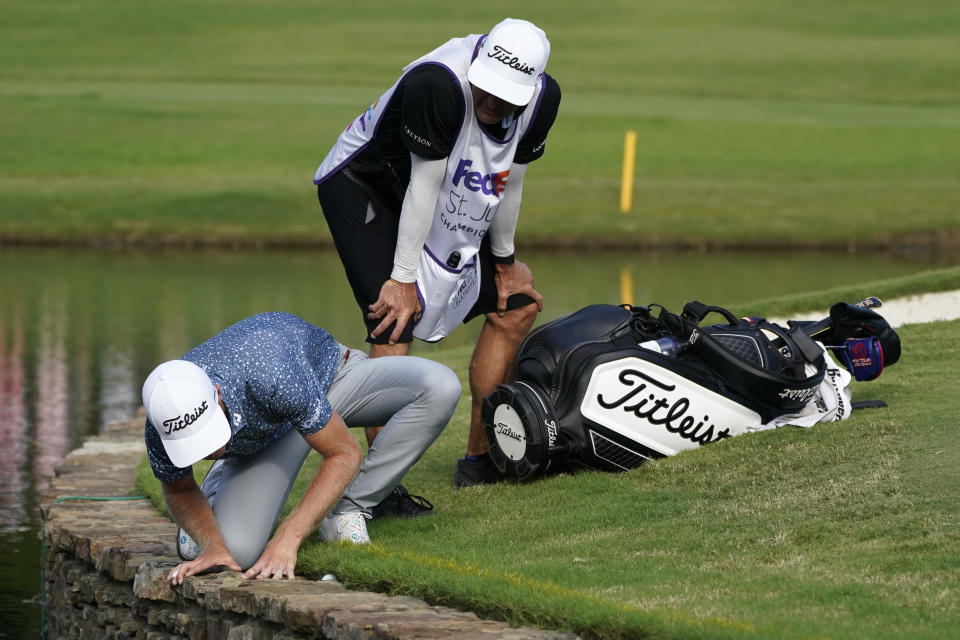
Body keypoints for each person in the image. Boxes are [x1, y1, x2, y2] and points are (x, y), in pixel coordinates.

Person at [314, 18, 561, 488]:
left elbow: (508, 184)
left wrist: (505, 265)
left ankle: (481, 461)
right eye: (484, 89)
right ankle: (380, 490)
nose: (490, 102)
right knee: (394, 319)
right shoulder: (439, 83)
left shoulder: (544, 100)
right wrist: (403, 279)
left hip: (447, 184)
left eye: (504, 95)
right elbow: (423, 185)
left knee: (515, 307)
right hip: (366, 182)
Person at [142, 312, 460, 585]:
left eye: (210, 434)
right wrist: (212, 546)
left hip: (332, 376)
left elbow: (344, 453)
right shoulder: (161, 418)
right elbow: (178, 488)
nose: (209, 451)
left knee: (440, 387)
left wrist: (288, 538)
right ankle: (210, 510)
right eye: (197, 445)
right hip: (274, 426)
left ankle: (347, 512)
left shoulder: (269, 372)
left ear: (218, 393)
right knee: (235, 552)